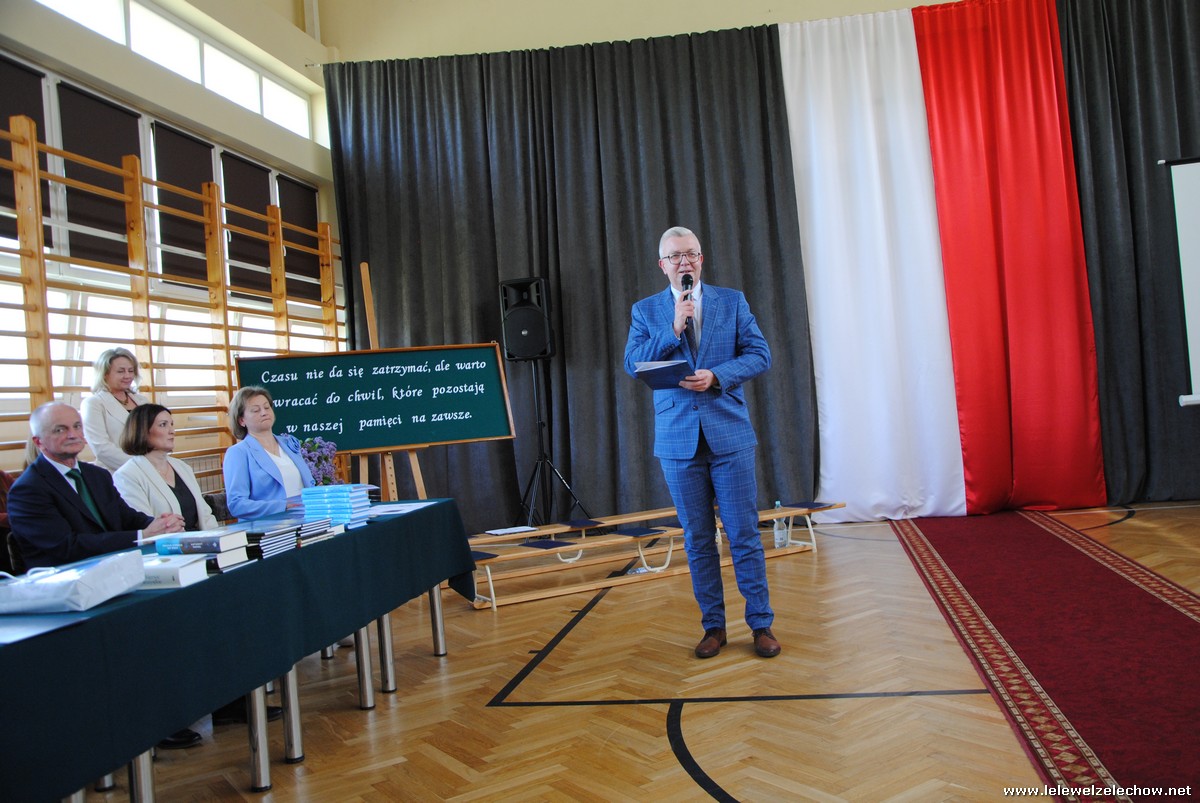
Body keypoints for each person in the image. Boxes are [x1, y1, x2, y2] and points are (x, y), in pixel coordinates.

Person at [623, 226, 780, 659]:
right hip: (678, 441)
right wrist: (673, 328)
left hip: (729, 434)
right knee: (697, 539)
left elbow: (760, 354)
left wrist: (718, 376)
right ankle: (714, 626)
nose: (684, 262)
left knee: (743, 534)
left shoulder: (732, 301)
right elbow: (633, 364)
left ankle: (761, 624)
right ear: (663, 265)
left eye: (690, 254)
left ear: (701, 258)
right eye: (675, 256)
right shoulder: (646, 310)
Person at [8, 402, 184, 570]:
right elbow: (67, 546)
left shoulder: (97, 475)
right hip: (66, 578)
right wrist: (143, 535)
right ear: (39, 442)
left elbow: (126, 517)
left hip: (115, 568)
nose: (72, 434)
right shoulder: (28, 489)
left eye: (77, 426)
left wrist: (161, 524)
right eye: (60, 430)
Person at [114, 404, 220, 532]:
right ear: (142, 431)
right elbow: (144, 525)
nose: (172, 431)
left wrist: (219, 539)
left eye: (172, 424)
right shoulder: (127, 475)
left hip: (201, 540)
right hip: (166, 543)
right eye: (163, 425)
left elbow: (206, 515)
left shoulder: (182, 467)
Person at [222, 386, 314, 520]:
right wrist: (282, 506)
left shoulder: (289, 443)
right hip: (270, 526)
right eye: (256, 410)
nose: (264, 413)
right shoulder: (238, 453)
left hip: (307, 519)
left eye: (267, 407)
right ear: (242, 420)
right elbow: (237, 505)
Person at [81, 347, 149, 471]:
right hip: (115, 472)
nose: (127, 376)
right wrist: (141, 466)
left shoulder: (142, 401)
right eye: (121, 371)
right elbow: (101, 448)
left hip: (149, 468)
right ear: (105, 374)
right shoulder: (93, 403)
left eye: (131, 370)